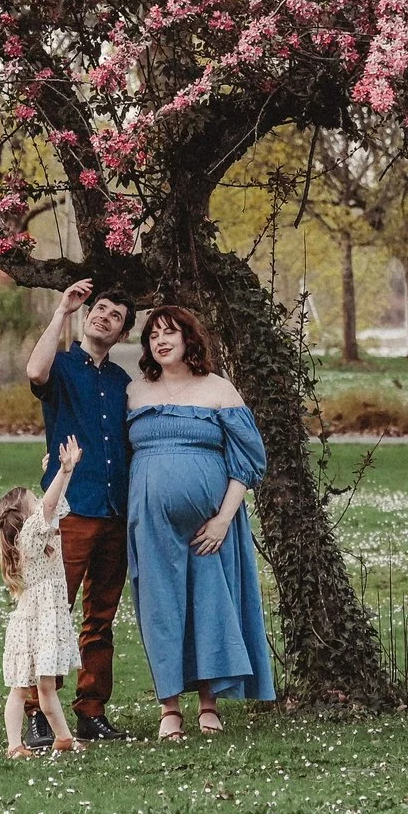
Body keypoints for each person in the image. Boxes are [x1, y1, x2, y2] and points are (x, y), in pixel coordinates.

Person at [125, 304, 276, 739]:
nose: (161, 340)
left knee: (210, 605)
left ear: (190, 339)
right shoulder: (135, 393)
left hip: (211, 525)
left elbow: (249, 460)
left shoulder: (219, 390)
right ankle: (168, 708)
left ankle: (209, 704)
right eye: (153, 335)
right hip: (150, 523)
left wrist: (223, 521)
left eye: (170, 332)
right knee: (160, 609)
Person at [22, 278, 137, 744]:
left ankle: (91, 710)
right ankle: (35, 712)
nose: (103, 316)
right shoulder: (63, 367)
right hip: (70, 509)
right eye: (100, 307)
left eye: (115, 315)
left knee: (100, 617)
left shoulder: (121, 382)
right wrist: (61, 311)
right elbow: (34, 371)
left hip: (114, 511)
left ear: (123, 333)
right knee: (52, 612)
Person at [0, 436, 87, 758]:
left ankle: (63, 737)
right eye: (33, 498)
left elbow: (53, 502)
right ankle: (14, 745)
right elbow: (48, 506)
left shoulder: (39, 530)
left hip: (45, 618)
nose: (41, 500)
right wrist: (61, 471)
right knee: (21, 688)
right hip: (35, 622)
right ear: (24, 516)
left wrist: (61, 474)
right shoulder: (31, 536)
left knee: (46, 686)